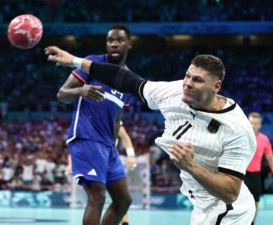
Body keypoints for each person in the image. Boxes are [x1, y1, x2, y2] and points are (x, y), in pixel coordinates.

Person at [46, 46, 257, 225]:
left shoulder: (237, 129)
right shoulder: (173, 93)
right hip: (201, 205)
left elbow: (231, 191)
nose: (188, 83)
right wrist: (74, 61)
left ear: (216, 86)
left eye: (198, 80)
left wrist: (191, 165)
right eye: (187, 76)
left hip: (229, 211)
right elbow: (125, 79)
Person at [57, 25, 133, 225]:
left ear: (129, 44)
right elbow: (62, 94)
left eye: (119, 40)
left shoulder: (127, 78)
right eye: (110, 40)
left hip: (108, 147)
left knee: (123, 201)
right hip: (86, 137)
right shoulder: (92, 63)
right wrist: (81, 90)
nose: (114, 44)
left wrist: (114, 145)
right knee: (97, 197)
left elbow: (118, 118)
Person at [245, 112, 273, 225]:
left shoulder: (264, 139)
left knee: (255, 201)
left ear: (260, 125)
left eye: (256, 123)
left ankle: (252, 222)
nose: (253, 125)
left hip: (255, 175)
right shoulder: (241, 135)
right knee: (236, 201)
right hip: (240, 173)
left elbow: (270, 157)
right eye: (251, 123)